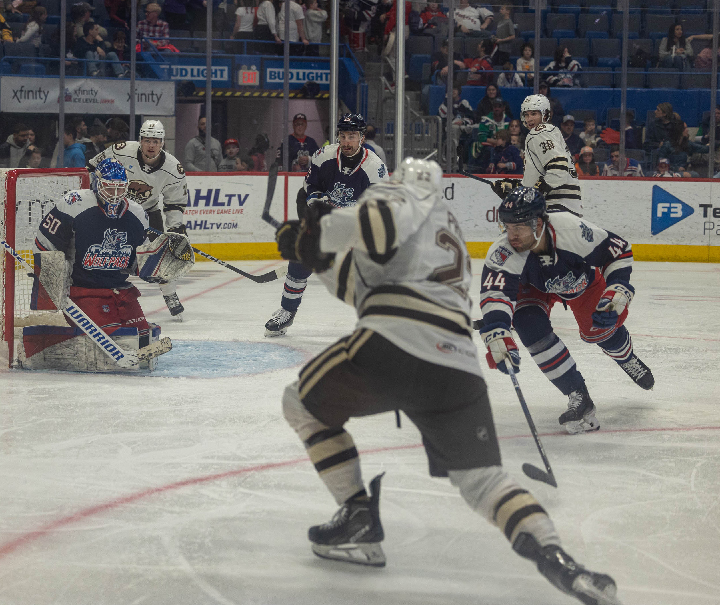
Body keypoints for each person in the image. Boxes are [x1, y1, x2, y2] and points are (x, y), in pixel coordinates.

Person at [275, 160, 622, 605]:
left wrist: (315, 232)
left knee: (300, 403)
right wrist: (313, 254)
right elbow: (359, 287)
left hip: (397, 339)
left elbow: (377, 224)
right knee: (482, 481)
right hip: (457, 364)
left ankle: (358, 515)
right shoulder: (443, 232)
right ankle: (561, 564)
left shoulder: (404, 193)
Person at [480, 186, 653, 435]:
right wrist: (497, 330)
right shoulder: (503, 252)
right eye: (507, 227)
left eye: (518, 227)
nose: (511, 235)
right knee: (528, 325)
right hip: (532, 286)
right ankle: (578, 395)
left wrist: (618, 288)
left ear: (538, 223)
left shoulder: (570, 230)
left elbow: (618, 250)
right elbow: (495, 294)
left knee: (602, 328)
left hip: (581, 281)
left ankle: (627, 359)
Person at [23, 156, 188, 371]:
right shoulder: (74, 204)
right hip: (83, 290)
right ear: (96, 183)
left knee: (141, 335)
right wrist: (50, 275)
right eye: (109, 188)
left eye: (121, 189)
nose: (116, 195)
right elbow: (44, 242)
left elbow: (138, 261)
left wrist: (156, 268)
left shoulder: (137, 214)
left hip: (121, 290)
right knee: (112, 336)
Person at [265, 113, 388, 336]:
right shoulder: (324, 156)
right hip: (322, 214)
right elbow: (309, 186)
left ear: (361, 138)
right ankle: (286, 311)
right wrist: (318, 204)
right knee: (302, 254)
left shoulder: (374, 167)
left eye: (352, 136)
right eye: (343, 136)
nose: (347, 141)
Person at [86, 120, 191, 320]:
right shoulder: (120, 150)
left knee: (163, 255)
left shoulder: (173, 168)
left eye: (156, 141)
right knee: (108, 251)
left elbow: (174, 203)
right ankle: (103, 293)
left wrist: (176, 228)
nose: (151, 145)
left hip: (147, 212)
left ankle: (170, 294)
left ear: (162, 143)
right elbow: (91, 168)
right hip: (114, 209)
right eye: (147, 140)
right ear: (140, 140)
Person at [491, 94, 582, 216]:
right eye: (527, 115)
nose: (529, 119)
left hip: (556, 207)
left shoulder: (539, 133)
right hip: (569, 207)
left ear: (544, 115)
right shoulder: (552, 131)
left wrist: (533, 194)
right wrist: (515, 188)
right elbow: (541, 177)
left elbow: (558, 168)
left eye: (534, 114)